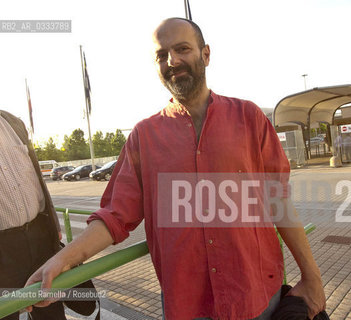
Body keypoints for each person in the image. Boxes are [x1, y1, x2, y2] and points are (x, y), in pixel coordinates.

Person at [26, 18, 326, 320]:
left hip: (258, 297)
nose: (173, 61)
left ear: (205, 54)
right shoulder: (143, 137)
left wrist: (311, 276)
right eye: (162, 55)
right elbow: (115, 216)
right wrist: (62, 260)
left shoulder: (249, 117)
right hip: (188, 306)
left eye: (183, 49)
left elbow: (279, 201)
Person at [0, 110, 66, 320]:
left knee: (51, 312)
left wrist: (53, 224)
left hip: (39, 237)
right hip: (2, 248)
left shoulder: (12, 122)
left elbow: (36, 178)